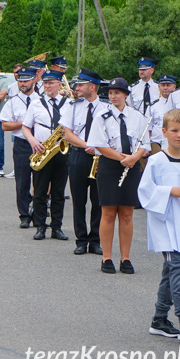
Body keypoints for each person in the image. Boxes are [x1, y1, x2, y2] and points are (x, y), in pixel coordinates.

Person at [138, 108, 180, 342]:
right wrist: (170, 190)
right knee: (179, 269)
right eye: (174, 131)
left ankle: (159, 319)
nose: (179, 135)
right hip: (166, 225)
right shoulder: (156, 161)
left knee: (171, 270)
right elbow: (145, 192)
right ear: (164, 132)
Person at [87, 77, 149, 274]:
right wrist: (124, 158)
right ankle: (107, 257)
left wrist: (135, 158)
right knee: (108, 212)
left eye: (117, 93)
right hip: (109, 167)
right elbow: (100, 145)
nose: (113, 96)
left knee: (127, 213)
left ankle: (126, 258)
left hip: (131, 167)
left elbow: (145, 144)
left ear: (125, 95)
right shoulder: (102, 117)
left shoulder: (137, 117)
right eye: (111, 93)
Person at [60, 68, 108, 255]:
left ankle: (95, 240)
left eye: (81, 84)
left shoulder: (106, 108)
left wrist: (97, 148)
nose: (77, 88)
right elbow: (68, 133)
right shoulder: (73, 106)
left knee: (98, 201)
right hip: (79, 155)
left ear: (92, 87)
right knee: (78, 200)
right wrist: (87, 144)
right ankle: (81, 240)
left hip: (99, 157)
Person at [21, 70, 69, 241]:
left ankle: (57, 227)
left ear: (59, 85)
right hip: (41, 150)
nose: (47, 86)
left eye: (51, 83)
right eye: (45, 83)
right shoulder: (36, 103)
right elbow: (25, 127)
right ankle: (40, 226)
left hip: (61, 151)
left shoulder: (68, 104)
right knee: (40, 192)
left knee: (58, 192)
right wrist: (33, 141)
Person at [0, 67, 38, 227]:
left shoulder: (41, 100)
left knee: (40, 182)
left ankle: (38, 214)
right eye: (20, 80)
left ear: (33, 81)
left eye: (26, 80)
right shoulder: (13, 101)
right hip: (21, 144)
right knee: (22, 182)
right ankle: (24, 216)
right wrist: (24, 123)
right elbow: (5, 126)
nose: (22, 83)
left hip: (39, 144)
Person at [147, 75, 177, 152]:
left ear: (174, 86)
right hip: (156, 142)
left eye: (168, 85)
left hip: (174, 142)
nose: (165, 88)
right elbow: (148, 128)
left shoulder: (178, 104)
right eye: (163, 85)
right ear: (159, 87)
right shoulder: (152, 106)